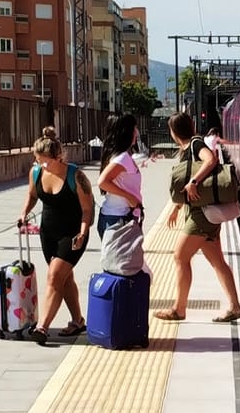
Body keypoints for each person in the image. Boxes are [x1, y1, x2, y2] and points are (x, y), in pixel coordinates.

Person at [156, 110, 240, 323]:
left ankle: (179, 309)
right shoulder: (187, 148)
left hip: (201, 215)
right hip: (200, 211)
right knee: (218, 262)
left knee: (180, 256)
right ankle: (235, 307)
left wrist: (194, 181)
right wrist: (177, 208)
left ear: (174, 132)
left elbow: (211, 159)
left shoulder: (195, 144)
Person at [17, 127, 94, 344]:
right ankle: (78, 321)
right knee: (64, 277)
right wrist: (24, 212)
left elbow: (88, 209)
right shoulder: (36, 173)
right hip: (48, 233)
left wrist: (83, 231)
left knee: (53, 277)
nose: (41, 165)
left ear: (58, 157)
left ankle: (42, 327)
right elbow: (32, 195)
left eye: (45, 161)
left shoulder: (76, 176)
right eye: (38, 160)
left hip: (73, 233)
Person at [95, 112, 146, 268]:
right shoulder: (122, 157)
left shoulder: (117, 155)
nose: (137, 132)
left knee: (118, 267)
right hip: (119, 220)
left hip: (115, 217)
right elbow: (102, 182)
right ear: (126, 132)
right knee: (121, 269)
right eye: (134, 128)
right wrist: (130, 198)